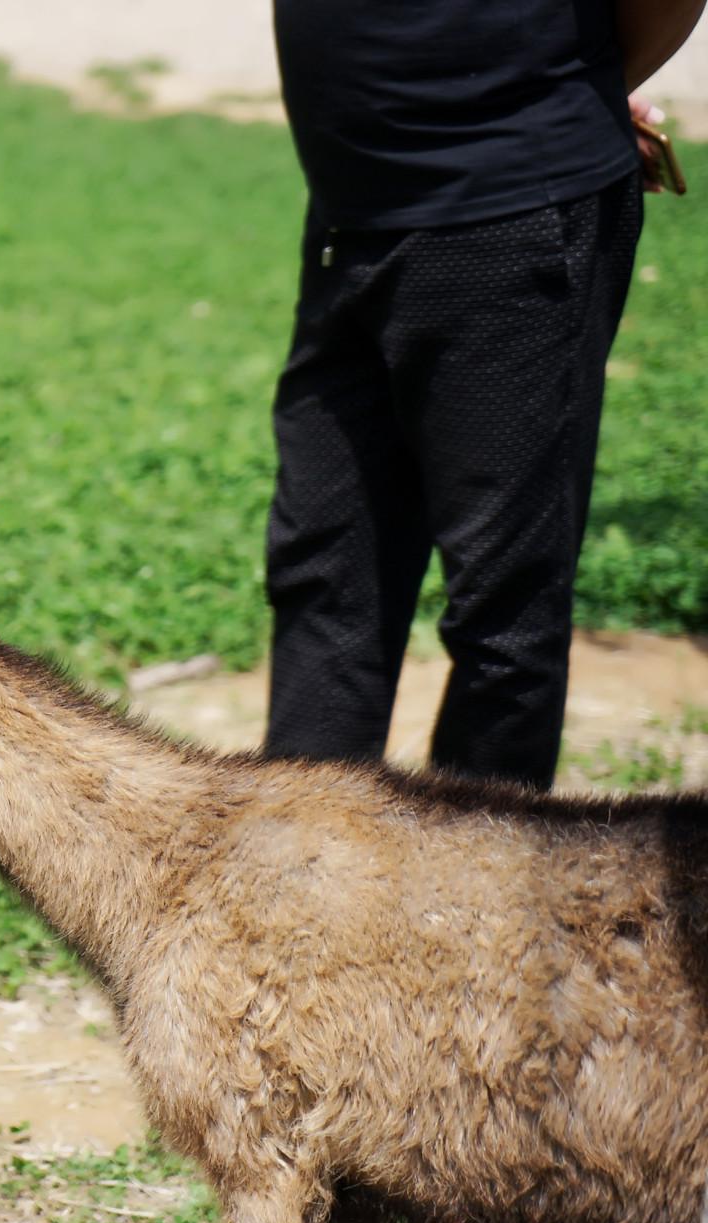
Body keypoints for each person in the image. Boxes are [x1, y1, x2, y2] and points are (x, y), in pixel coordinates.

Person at [262, 0, 700, 789]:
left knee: (503, 610)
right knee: (325, 574)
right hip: (350, 216)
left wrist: (570, 85)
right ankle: (305, 861)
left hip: (508, 213)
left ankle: (483, 869)